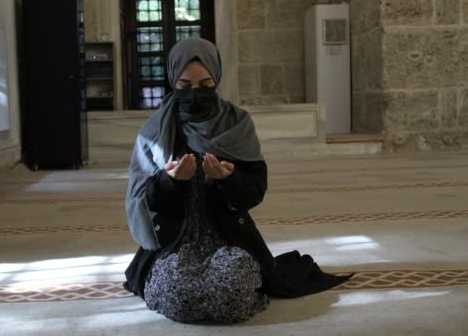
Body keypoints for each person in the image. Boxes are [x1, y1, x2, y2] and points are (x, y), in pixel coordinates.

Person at [124, 38, 353, 324]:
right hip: (175, 243)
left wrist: (228, 179)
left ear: (217, 78)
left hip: (229, 240)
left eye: (206, 84)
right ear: (173, 82)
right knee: (176, 295)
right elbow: (146, 202)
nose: (195, 93)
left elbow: (253, 193)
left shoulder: (236, 124)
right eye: (184, 86)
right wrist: (169, 181)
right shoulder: (155, 131)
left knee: (235, 288)